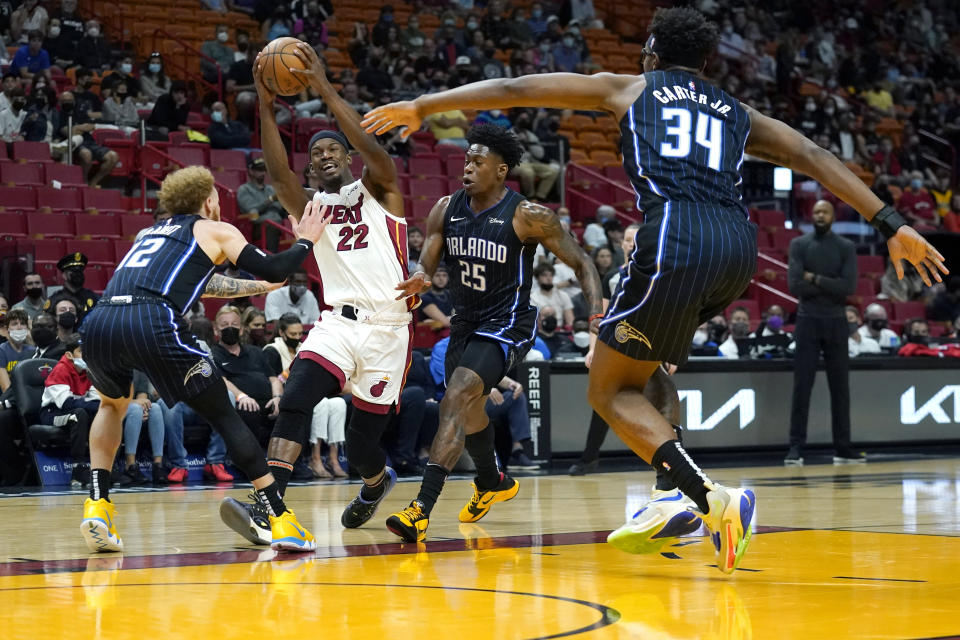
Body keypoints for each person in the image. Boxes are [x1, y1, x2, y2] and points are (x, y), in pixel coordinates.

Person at [361, 6, 947, 572]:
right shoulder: (735, 110)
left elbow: (519, 86)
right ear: (707, 64)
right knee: (650, 368)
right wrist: (891, 224)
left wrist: (422, 104)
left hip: (676, 239)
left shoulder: (630, 88)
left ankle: (710, 500)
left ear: (650, 54)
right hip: (738, 247)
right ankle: (668, 500)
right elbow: (814, 155)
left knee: (608, 390)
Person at [218, 42, 417, 548]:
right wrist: (264, 103)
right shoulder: (310, 208)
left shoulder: (384, 191)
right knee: (299, 393)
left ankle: (375, 482)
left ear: (350, 160)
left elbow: (374, 148)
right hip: (337, 324)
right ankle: (271, 507)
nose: (325, 156)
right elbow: (279, 171)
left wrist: (323, 86)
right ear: (311, 172)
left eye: (334, 151)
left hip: (389, 331)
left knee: (361, 444)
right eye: (317, 154)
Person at [77, 165, 330, 553]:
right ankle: (281, 519)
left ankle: (98, 504)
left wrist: (259, 286)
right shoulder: (216, 230)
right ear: (209, 200)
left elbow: (202, 281)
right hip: (151, 318)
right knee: (224, 414)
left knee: (111, 405)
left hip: (100, 320)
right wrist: (305, 241)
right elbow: (278, 266)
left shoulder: (150, 234)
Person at [377, 123, 602, 543]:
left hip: (508, 323)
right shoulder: (446, 207)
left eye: (478, 162)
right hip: (466, 323)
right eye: (466, 160)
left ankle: (420, 509)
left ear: (501, 170)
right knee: (471, 410)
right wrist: (421, 275)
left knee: (457, 395)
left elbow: (584, 264)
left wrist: (596, 314)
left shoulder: (529, 216)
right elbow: (426, 257)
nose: (468, 168)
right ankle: (492, 480)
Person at [787, 199, 861, 466]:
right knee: (801, 387)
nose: (820, 215)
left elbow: (849, 287)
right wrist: (831, 285)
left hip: (836, 322)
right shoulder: (799, 244)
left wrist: (815, 279)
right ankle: (795, 448)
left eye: (825, 211)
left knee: (840, 388)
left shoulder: (845, 247)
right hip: (807, 322)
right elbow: (795, 286)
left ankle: (843, 447)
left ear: (832, 216)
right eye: (816, 211)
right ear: (811, 214)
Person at [40, 335, 94, 487]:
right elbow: (66, 403)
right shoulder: (60, 370)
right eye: (82, 351)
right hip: (52, 414)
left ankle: (107, 468)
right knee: (79, 414)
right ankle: (78, 469)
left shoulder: (89, 371)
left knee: (104, 415)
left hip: (76, 409)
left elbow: (97, 401)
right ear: (69, 355)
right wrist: (96, 406)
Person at [237, 157, 286, 252]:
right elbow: (251, 210)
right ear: (251, 171)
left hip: (278, 223)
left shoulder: (270, 189)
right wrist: (270, 200)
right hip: (258, 226)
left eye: (264, 170)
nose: (263, 173)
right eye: (259, 170)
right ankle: (271, 261)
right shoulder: (244, 189)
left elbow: (279, 207)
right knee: (271, 226)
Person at [46, 252, 99, 319]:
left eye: (80, 271)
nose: (78, 274)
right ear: (64, 275)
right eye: (74, 271)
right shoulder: (55, 299)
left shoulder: (93, 297)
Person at [0, 309, 36, 392]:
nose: (19, 327)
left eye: (23, 324)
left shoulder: (33, 351)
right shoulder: (1, 350)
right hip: (8, 399)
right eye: (14, 324)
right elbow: (5, 388)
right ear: (7, 329)